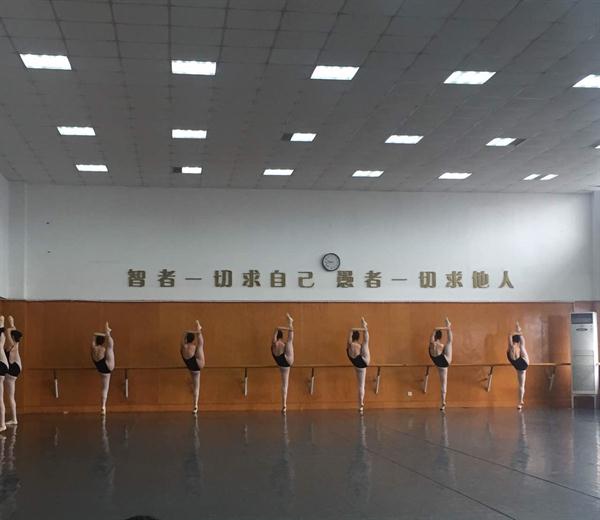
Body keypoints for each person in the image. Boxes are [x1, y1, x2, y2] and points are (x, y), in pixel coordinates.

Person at [271, 313, 294, 414]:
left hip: (281, 364)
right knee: (289, 342)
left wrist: (279, 329)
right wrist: (288, 328)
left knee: (284, 385)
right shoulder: (282, 344)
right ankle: (291, 323)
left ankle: (284, 405)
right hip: (288, 361)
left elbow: (276, 328)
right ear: (281, 336)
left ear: (276, 336)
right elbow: (277, 328)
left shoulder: (274, 344)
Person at [181, 320, 205, 414]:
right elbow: (198, 344)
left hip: (191, 367)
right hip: (199, 365)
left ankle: (195, 406)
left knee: (195, 387)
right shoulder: (193, 347)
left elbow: (183, 336)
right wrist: (196, 332)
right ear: (193, 339)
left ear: (186, 339)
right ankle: (199, 330)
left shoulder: (183, 347)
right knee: (200, 345)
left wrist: (186, 332)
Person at [347, 317, 370, 414]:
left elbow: (349, 338)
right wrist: (363, 329)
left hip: (357, 365)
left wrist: (351, 331)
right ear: (358, 337)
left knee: (360, 385)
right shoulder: (359, 346)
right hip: (364, 363)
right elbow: (363, 341)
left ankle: (360, 405)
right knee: (366, 343)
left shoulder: (349, 346)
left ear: (352, 337)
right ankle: (365, 326)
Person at [429, 317, 452, 411]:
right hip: (445, 362)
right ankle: (449, 326)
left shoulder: (431, 344)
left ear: (434, 336)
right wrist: (447, 328)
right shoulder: (441, 345)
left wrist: (439, 329)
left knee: (443, 384)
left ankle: (443, 404)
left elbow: (434, 329)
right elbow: (436, 329)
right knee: (449, 342)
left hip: (438, 364)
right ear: (440, 337)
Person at [91, 322, 115, 415]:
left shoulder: (93, 348)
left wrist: (95, 335)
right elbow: (108, 345)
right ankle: (108, 333)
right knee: (110, 348)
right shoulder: (103, 349)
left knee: (104, 388)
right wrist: (105, 334)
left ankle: (103, 406)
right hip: (108, 367)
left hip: (100, 369)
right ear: (103, 341)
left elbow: (93, 341)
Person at [3, 316, 22, 426]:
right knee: (11, 396)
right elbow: (11, 331)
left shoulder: (12, 344)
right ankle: (14, 419)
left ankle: (14, 419)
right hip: (15, 368)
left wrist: (8, 326)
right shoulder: (15, 343)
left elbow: (7, 332)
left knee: (10, 396)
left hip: (13, 369)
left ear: (13, 337)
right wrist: (12, 322)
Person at [507, 321, 529, 410]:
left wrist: (517, 331)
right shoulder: (516, 347)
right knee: (523, 346)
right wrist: (518, 329)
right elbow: (511, 335)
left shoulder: (511, 347)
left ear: (512, 340)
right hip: (523, 362)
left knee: (521, 385)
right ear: (518, 341)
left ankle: (520, 402)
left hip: (522, 364)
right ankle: (520, 401)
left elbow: (509, 335)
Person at [0, 316, 9, 432]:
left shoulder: (2, 337)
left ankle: (2, 424)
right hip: (3, 364)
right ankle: (2, 424)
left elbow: (2, 333)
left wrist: (2, 323)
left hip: (2, 365)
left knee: (0, 398)